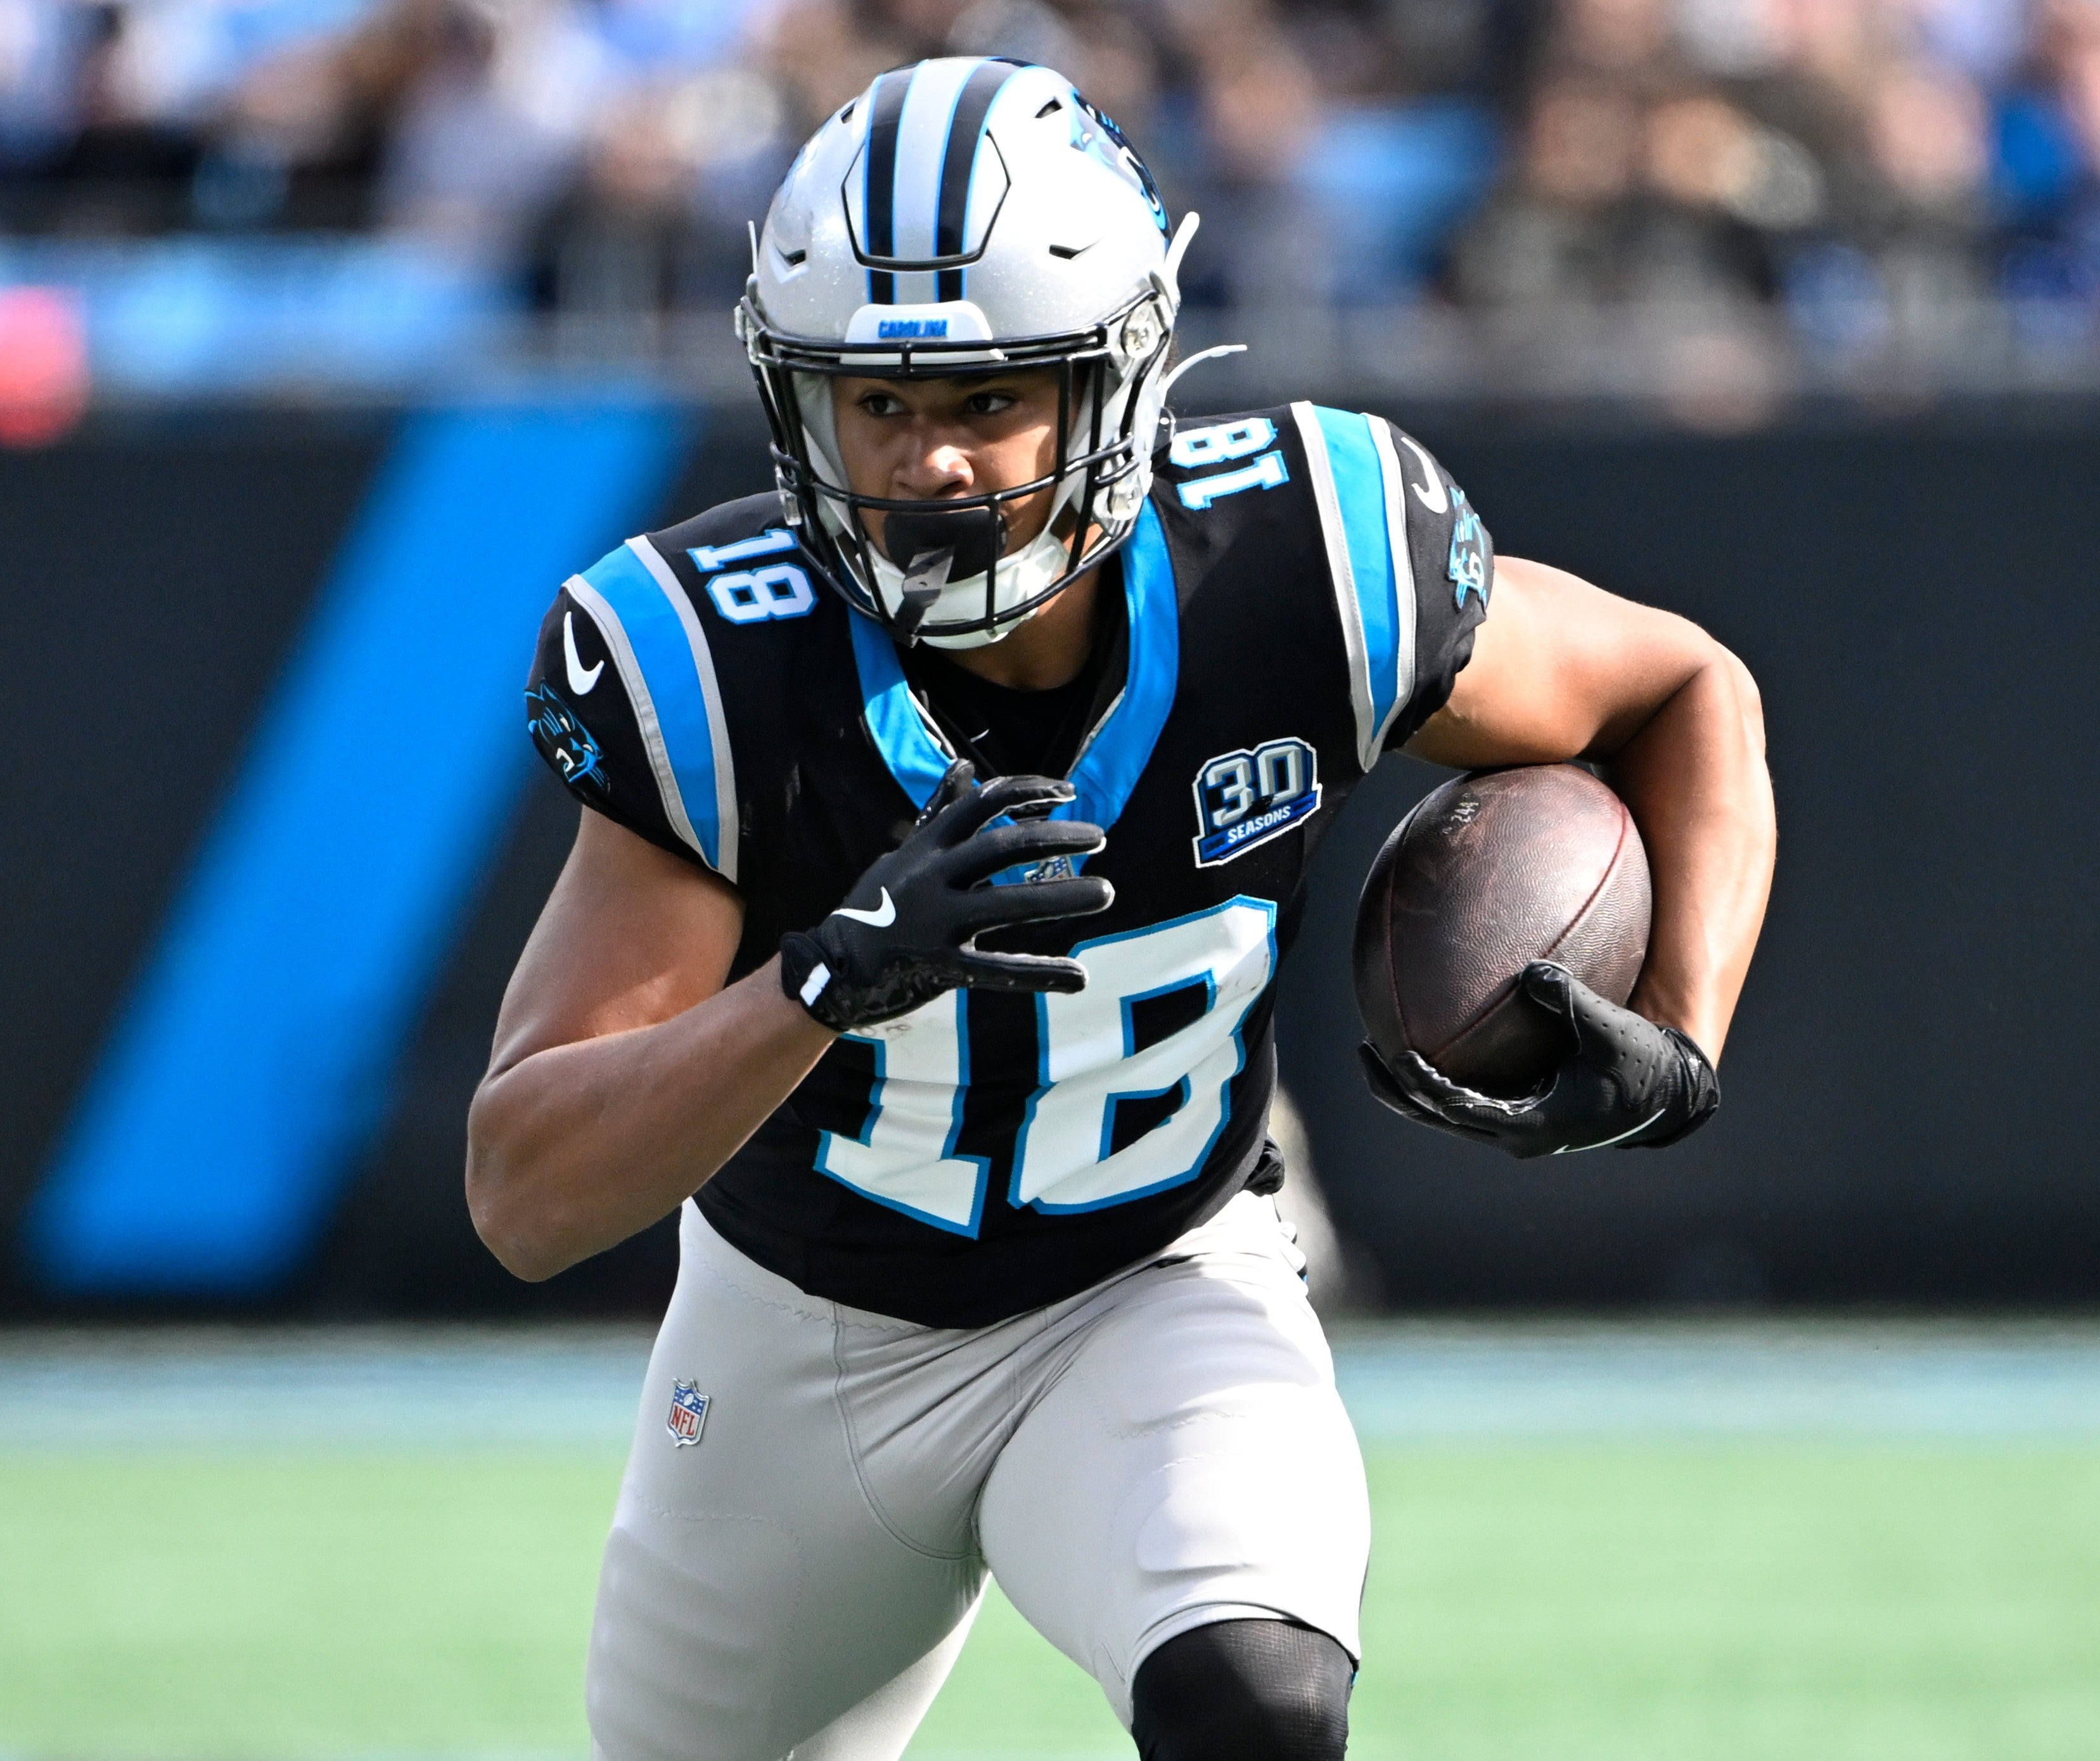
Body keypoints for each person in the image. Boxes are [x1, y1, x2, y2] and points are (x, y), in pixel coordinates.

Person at [467, 56, 1773, 1761]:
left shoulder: (1309, 561)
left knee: (1259, 1705)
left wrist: (1679, 1017)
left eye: (988, 396)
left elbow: (1681, 685)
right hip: (799, 1340)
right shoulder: (716, 660)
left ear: (1118, 380)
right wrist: (817, 984)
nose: (928, 462)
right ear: (798, 400)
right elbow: (525, 1190)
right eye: (877, 402)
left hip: (1153, 1279)